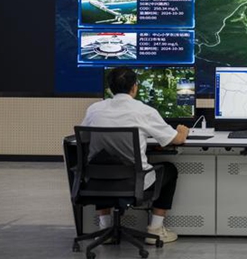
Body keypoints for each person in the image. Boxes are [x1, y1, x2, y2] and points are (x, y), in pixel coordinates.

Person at [80, 67, 189, 244]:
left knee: (103, 163)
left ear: (109, 88)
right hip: (133, 183)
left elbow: (83, 139)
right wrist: (182, 132)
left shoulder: (94, 110)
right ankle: (155, 230)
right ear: (134, 87)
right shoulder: (144, 111)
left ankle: (105, 228)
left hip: (97, 181)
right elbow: (174, 140)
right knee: (169, 169)